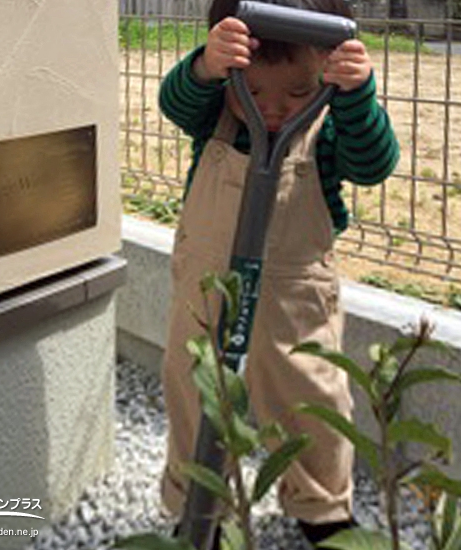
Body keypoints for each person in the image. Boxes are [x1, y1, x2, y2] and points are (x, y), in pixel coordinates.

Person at [158, 0, 400, 548]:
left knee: (311, 395)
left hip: (296, 293)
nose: (271, 111)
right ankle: (198, 504)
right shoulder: (216, 111)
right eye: (255, 93)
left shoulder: (328, 125)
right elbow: (173, 103)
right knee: (193, 387)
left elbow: (374, 164)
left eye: (296, 93)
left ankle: (322, 508)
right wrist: (202, 68)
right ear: (232, 77)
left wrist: (357, 97)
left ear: (325, 72)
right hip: (208, 284)